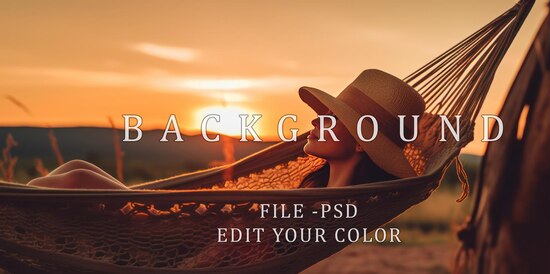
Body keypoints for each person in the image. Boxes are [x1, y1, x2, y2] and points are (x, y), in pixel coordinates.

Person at [27, 69, 425, 189]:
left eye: (331, 119)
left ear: (360, 143)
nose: (315, 121)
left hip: (179, 250)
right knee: (78, 168)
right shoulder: (313, 190)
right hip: (177, 231)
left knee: (76, 176)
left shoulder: (333, 209)